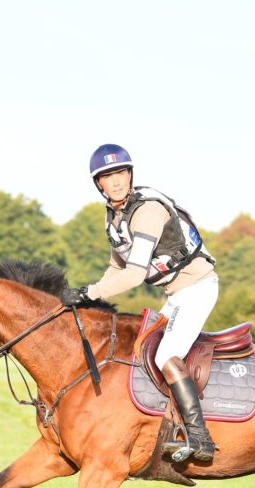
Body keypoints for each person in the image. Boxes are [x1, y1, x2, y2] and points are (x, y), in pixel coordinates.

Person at [61, 143, 219, 462]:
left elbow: (133, 275)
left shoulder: (147, 210)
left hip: (198, 287)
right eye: (107, 176)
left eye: (121, 172)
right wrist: (87, 291)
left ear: (130, 174)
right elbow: (116, 267)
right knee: (142, 351)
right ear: (99, 185)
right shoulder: (115, 219)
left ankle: (200, 438)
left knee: (166, 355)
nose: (116, 181)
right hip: (177, 294)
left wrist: (90, 292)